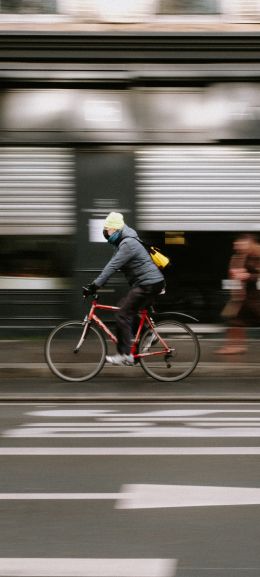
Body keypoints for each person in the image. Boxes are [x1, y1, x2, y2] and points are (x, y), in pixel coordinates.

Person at [87, 212, 165, 366]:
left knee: (122, 314)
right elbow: (115, 266)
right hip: (149, 283)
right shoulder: (125, 241)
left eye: (107, 230)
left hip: (148, 284)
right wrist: (100, 283)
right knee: (125, 305)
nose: (106, 233)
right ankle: (149, 334)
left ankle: (125, 354)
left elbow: (112, 266)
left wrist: (95, 285)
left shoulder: (128, 243)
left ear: (115, 229)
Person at [216, 233, 260, 354]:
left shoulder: (258, 254)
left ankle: (236, 346)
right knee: (235, 320)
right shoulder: (241, 256)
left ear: (250, 243)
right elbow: (233, 277)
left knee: (237, 319)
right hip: (245, 297)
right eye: (237, 245)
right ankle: (235, 346)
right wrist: (235, 276)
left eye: (241, 244)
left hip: (256, 297)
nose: (237, 247)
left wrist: (248, 276)